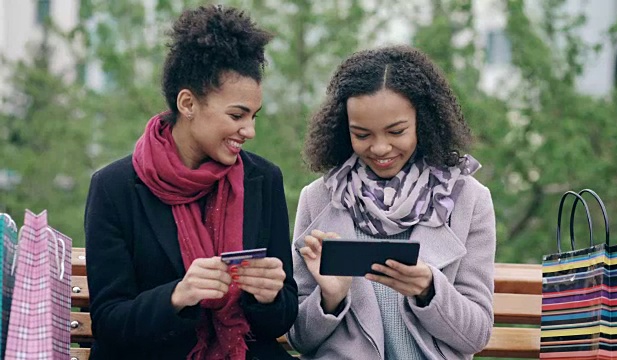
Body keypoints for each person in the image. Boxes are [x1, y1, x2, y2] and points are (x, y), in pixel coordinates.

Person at [84, 5, 297, 359]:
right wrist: (177, 296)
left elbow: (281, 319)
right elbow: (108, 322)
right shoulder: (114, 187)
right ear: (187, 103)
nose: (250, 130)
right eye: (237, 115)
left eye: (254, 116)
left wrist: (271, 295)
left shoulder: (264, 179)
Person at [287, 45, 496, 359]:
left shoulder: (468, 199)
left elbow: (476, 335)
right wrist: (331, 298)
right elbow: (299, 339)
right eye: (362, 134)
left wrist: (429, 289)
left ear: (422, 122)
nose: (380, 148)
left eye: (396, 131)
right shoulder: (318, 199)